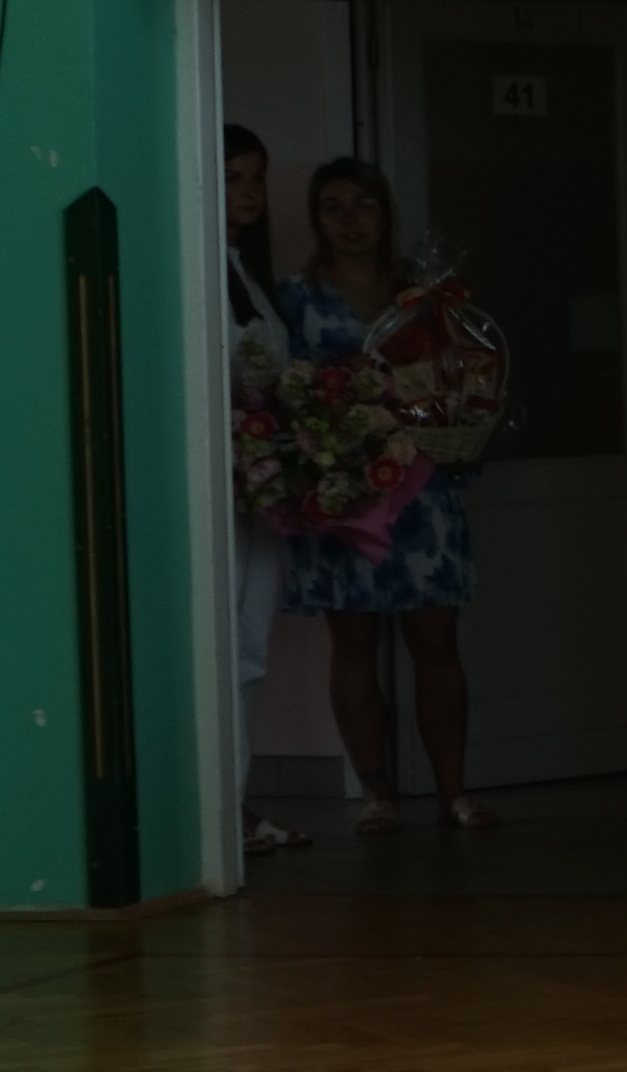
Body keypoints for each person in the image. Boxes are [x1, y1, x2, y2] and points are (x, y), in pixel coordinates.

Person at [270, 157, 507, 831]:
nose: (350, 221)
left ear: (386, 214)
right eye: (333, 207)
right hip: (344, 494)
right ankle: (376, 795)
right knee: (354, 645)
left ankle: (454, 793)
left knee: (437, 644)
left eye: (363, 204)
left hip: (424, 496)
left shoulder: (425, 295)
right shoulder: (296, 298)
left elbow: (466, 379)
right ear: (317, 220)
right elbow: (281, 390)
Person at [216, 126, 300, 858]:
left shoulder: (250, 273)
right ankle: (221, 810)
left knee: (252, 645)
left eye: (255, 178)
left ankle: (234, 802)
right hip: (226, 479)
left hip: (263, 482)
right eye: (231, 177)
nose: (247, 193)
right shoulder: (197, 268)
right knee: (224, 643)